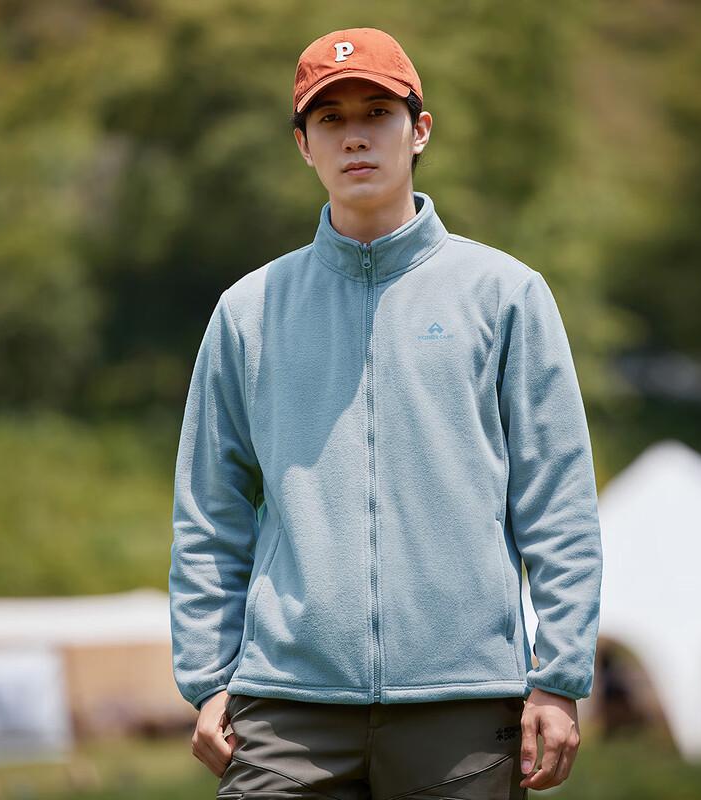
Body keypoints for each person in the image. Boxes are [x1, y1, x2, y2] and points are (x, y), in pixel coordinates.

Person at [169, 26, 603, 800]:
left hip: (465, 704)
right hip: (285, 707)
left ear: (419, 130)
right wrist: (208, 676)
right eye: (330, 118)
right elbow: (209, 511)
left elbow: (559, 502)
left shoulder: (506, 295)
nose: (355, 136)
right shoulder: (247, 312)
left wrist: (559, 675)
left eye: (377, 113)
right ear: (303, 145)